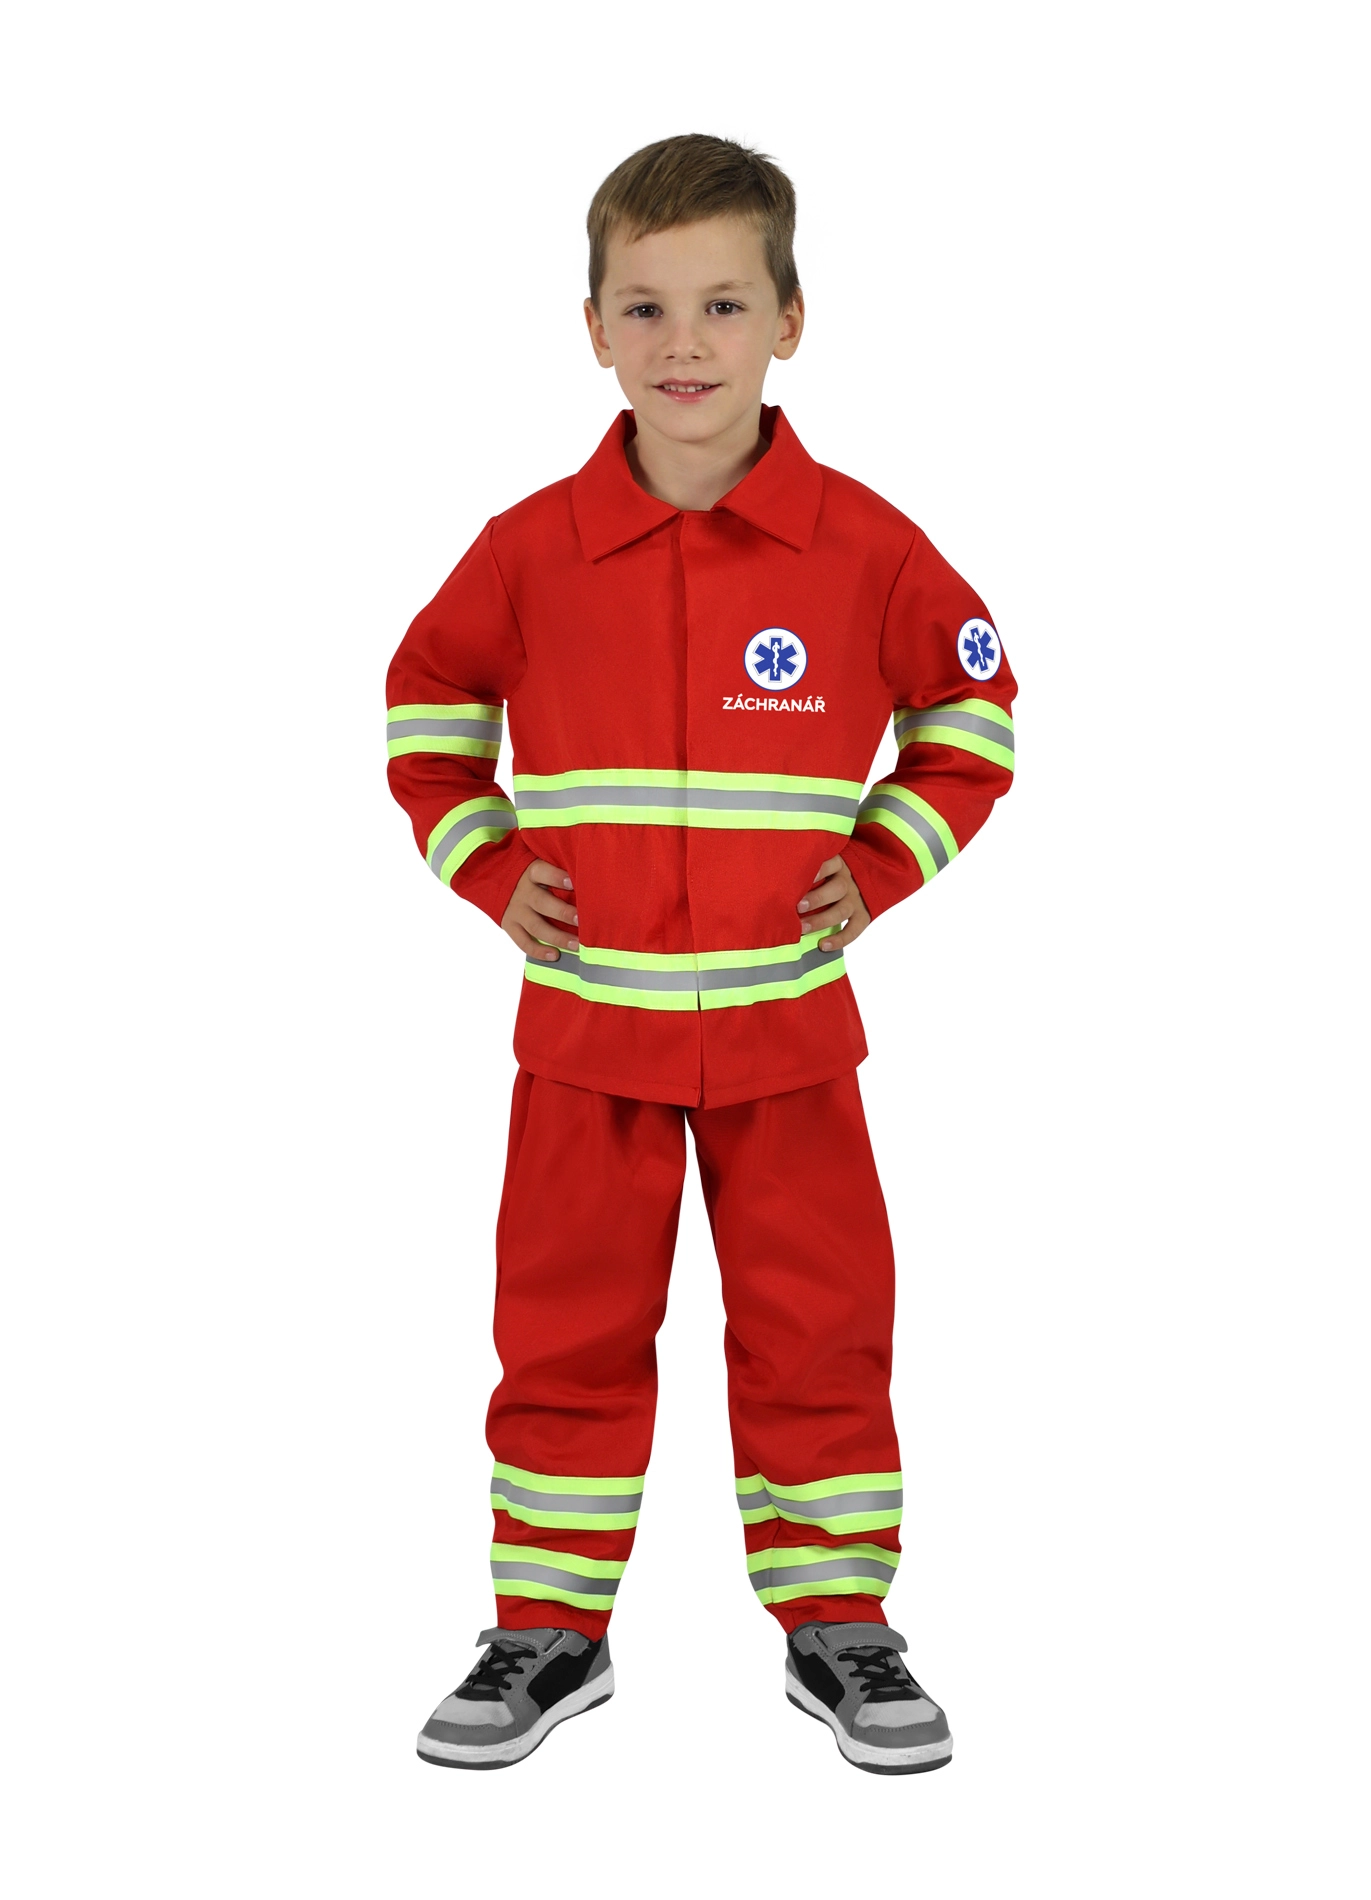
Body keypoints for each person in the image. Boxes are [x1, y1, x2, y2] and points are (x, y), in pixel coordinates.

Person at [387, 134, 1016, 1774]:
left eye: (726, 304)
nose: (686, 344)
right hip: (584, 1037)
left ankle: (840, 1624)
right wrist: (486, 864)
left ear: (791, 321)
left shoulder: (867, 547)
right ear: (592, 328)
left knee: (820, 1327)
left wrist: (879, 866)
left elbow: (974, 710)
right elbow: (425, 705)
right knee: (564, 1330)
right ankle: (547, 1628)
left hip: (786, 1032)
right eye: (648, 306)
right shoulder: (527, 549)